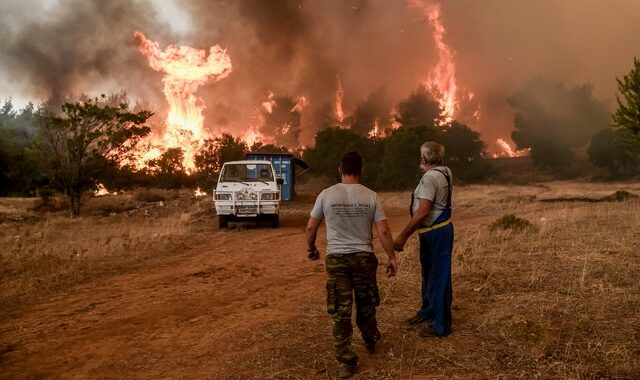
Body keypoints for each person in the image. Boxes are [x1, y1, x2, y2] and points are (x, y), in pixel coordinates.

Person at [306, 151, 397, 379]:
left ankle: (346, 361)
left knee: (340, 309)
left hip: (337, 259)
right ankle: (370, 339)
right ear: (360, 170)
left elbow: (311, 227)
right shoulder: (371, 196)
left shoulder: (326, 195)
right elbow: (383, 230)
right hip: (364, 257)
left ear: (340, 169)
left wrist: (312, 249)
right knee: (366, 302)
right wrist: (392, 257)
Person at [393, 141, 454, 338]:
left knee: (438, 276)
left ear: (424, 159)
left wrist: (402, 236)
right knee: (430, 274)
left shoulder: (429, 178)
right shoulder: (445, 171)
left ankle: (440, 325)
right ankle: (428, 312)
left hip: (435, 232)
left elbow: (422, 212)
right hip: (439, 230)